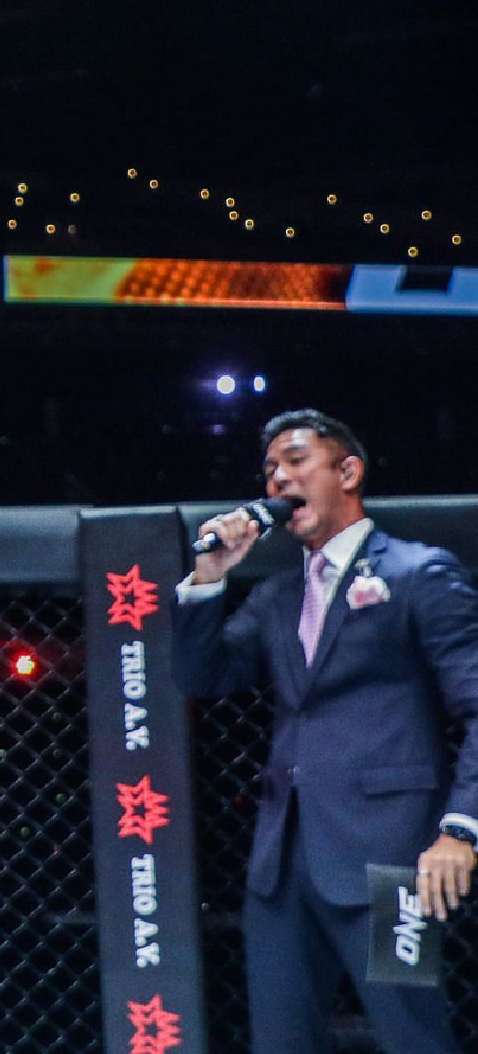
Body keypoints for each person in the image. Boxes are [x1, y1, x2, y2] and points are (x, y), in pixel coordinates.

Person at [174, 409, 478, 1054]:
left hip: (392, 862)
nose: (278, 480)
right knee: (281, 1040)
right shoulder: (280, 594)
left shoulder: (417, 574)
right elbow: (202, 676)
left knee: (410, 1035)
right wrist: (210, 579)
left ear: (347, 471)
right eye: (269, 470)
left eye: (295, 461)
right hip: (284, 864)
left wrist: (460, 829)